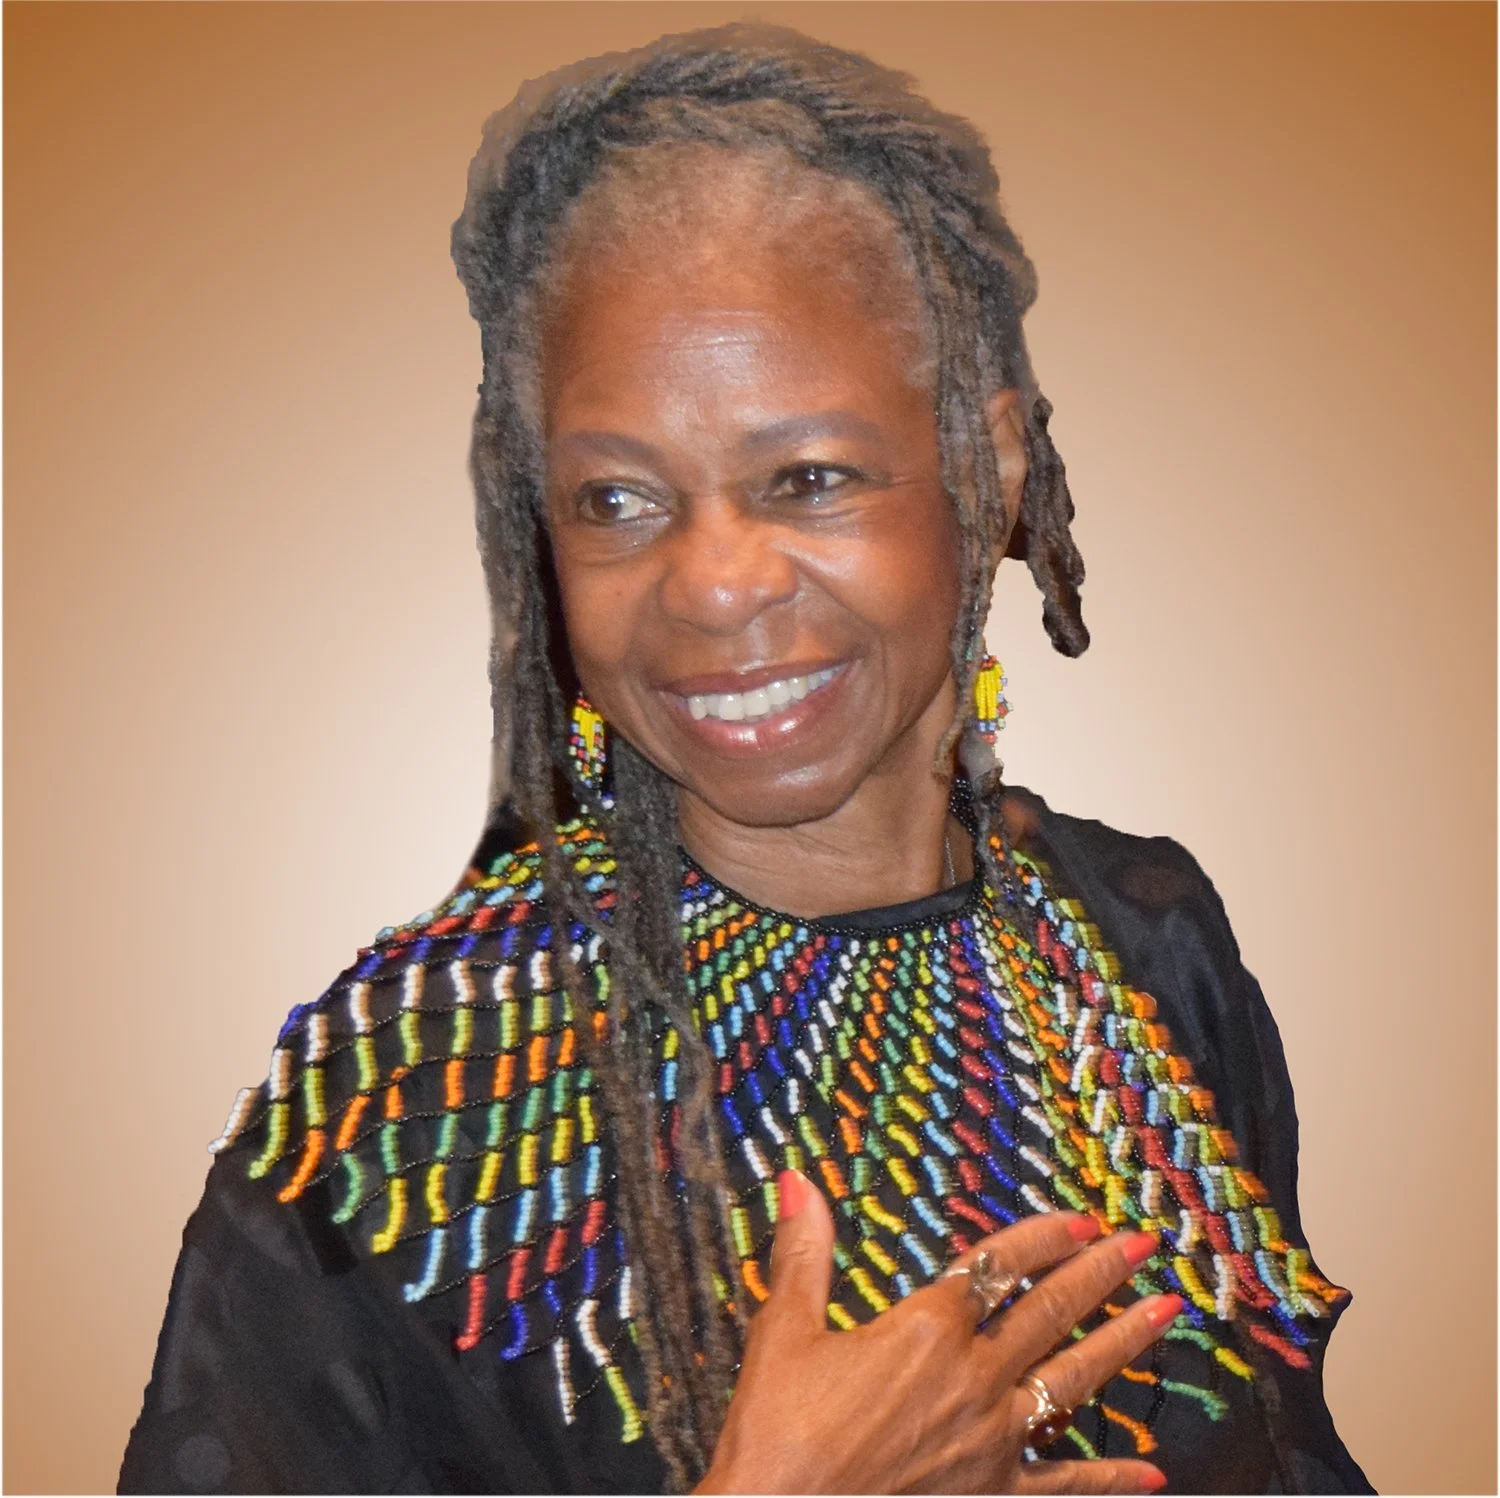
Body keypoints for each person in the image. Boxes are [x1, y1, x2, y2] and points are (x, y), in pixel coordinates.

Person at [119, 24, 1371, 1496]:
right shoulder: (396, 1110)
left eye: (810, 477)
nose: (713, 583)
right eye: (618, 499)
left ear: (992, 465)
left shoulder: (1144, 940)